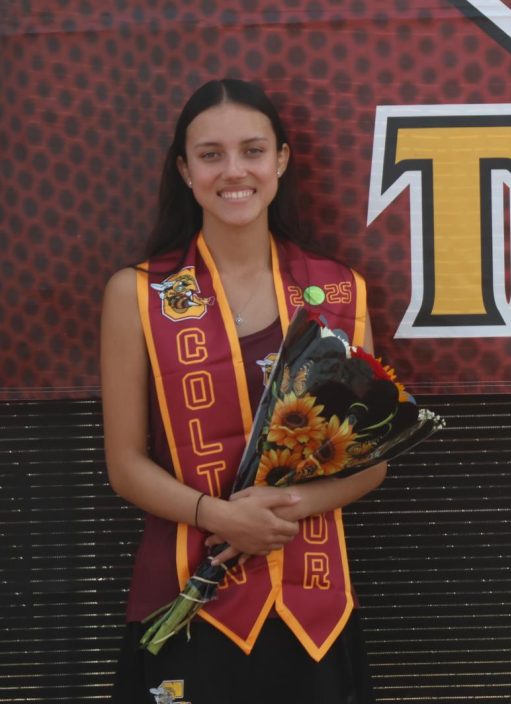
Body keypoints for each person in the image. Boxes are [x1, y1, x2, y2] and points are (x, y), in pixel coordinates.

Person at [101, 78, 381, 704]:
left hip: (312, 607)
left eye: (253, 151)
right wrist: (221, 517)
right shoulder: (138, 295)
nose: (235, 171)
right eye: (210, 154)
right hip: (186, 595)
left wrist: (286, 512)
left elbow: (370, 464)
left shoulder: (339, 292)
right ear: (184, 169)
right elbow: (124, 465)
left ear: (280, 159)